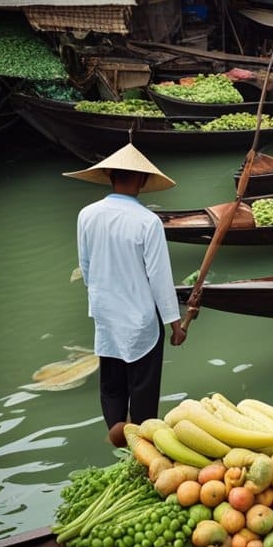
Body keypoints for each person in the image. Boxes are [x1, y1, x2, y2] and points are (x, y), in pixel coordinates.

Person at [64, 144, 185, 448]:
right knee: (143, 388)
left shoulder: (86, 215)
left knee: (111, 383)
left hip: (106, 314)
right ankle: (142, 445)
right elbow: (159, 279)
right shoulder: (148, 222)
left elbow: (87, 267)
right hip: (141, 318)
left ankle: (117, 430)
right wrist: (175, 324)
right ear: (143, 181)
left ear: (109, 176)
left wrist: (103, 299)